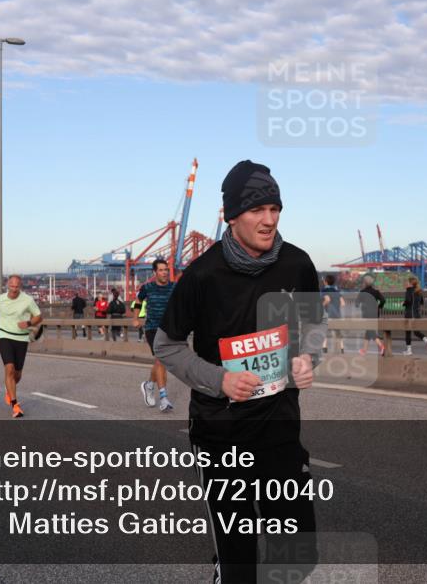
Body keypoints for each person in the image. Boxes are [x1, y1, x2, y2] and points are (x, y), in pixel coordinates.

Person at [154, 160, 322, 583]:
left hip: (280, 429)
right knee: (239, 565)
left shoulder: (298, 264)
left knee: (297, 555)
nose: (269, 220)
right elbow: (166, 346)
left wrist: (307, 358)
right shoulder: (203, 275)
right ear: (232, 216)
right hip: (220, 435)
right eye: (257, 210)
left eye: (275, 209)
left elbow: (314, 328)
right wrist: (220, 380)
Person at [0, 274, 42, 418]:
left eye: (17, 286)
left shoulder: (27, 300)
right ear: (7, 285)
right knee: (9, 368)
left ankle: (9, 388)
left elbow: (38, 316)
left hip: (22, 338)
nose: (14, 289)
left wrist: (29, 323)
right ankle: (15, 405)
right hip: (4, 336)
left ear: (20, 286)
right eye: (12, 286)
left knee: (17, 375)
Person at [135, 259, 176, 412]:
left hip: (169, 329)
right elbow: (138, 301)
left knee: (163, 362)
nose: (164, 273)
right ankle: (164, 398)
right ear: (155, 272)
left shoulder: (174, 287)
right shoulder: (147, 287)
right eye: (161, 270)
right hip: (152, 329)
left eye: (166, 270)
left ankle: (149, 385)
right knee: (160, 360)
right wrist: (136, 318)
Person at [402, 276, 427, 355]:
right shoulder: (419, 291)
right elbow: (421, 302)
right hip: (417, 315)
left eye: (407, 282)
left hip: (410, 314)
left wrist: (403, 303)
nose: (406, 283)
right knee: (416, 332)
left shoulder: (409, 290)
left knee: (408, 332)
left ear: (411, 284)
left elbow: (408, 300)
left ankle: (409, 350)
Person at [357, 274, 386, 355]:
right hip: (375, 313)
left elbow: (357, 303)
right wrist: (380, 306)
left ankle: (381, 346)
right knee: (369, 330)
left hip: (367, 314)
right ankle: (364, 350)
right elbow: (383, 300)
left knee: (370, 330)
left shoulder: (362, 292)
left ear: (364, 283)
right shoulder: (376, 292)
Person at [320, 274, 345, 353]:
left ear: (325, 282)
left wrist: (322, 305)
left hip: (328, 314)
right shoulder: (337, 291)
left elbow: (327, 300)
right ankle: (342, 348)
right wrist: (336, 306)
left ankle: (324, 348)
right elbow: (343, 303)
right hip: (337, 314)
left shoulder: (324, 290)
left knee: (324, 331)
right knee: (338, 332)